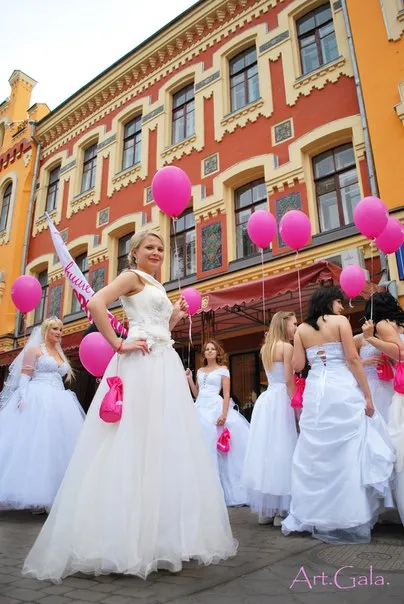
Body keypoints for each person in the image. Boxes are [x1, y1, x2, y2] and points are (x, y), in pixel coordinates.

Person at [23, 230, 237, 582]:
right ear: (134, 253)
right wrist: (118, 343)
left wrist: (176, 318)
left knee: (164, 443)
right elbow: (95, 304)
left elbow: (160, 327)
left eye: (160, 248)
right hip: (141, 363)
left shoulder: (155, 283)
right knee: (132, 440)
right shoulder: (131, 277)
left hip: (164, 363)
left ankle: (161, 537)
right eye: (149, 247)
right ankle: (120, 537)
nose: (156, 252)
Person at [282, 287, 395, 544]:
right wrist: (367, 395)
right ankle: (350, 514)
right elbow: (353, 359)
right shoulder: (341, 322)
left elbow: (298, 366)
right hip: (341, 387)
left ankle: (314, 512)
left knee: (315, 453)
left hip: (316, 392)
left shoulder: (301, 330)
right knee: (346, 452)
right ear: (329, 302)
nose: (342, 307)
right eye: (339, 302)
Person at [0, 318, 84, 512]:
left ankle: (56, 495)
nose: (59, 332)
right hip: (38, 396)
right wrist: (22, 397)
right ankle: (35, 495)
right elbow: (25, 376)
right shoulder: (35, 350)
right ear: (46, 330)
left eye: (61, 329)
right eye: (55, 329)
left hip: (60, 399)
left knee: (58, 446)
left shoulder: (60, 353)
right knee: (37, 445)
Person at [241, 312, 298, 526]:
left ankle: (266, 510)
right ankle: (281, 509)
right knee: (283, 449)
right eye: (294, 324)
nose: (296, 327)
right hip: (282, 399)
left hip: (266, 401)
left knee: (266, 451)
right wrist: (297, 406)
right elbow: (288, 381)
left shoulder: (266, 348)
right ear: (284, 326)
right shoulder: (287, 347)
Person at [186, 340, 249, 506]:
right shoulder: (199, 371)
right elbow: (197, 393)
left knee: (219, 449)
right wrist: (189, 379)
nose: (209, 351)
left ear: (217, 352)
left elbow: (227, 394)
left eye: (212, 349)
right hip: (200, 406)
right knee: (202, 446)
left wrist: (224, 413)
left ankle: (223, 489)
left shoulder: (223, 370)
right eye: (206, 349)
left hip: (215, 406)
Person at [361, 292, 404, 525]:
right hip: (385, 386)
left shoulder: (382, 325)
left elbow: (399, 353)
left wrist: (371, 339)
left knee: (390, 443)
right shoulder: (390, 324)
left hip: (390, 389)